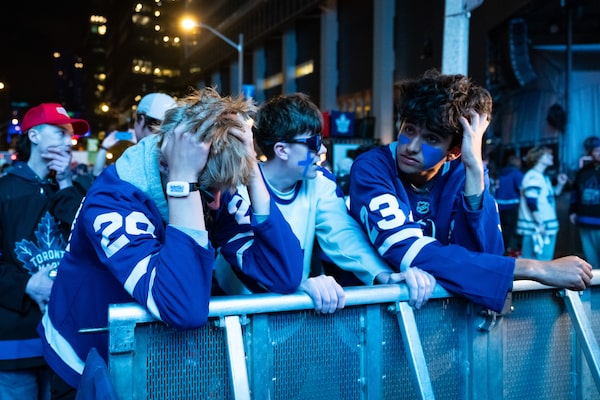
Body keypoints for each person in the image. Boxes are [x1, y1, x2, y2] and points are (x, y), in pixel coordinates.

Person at [38, 87, 304, 398]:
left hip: (151, 361)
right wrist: (184, 185)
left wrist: (251, 169)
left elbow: (283, 274)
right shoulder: (113, 199)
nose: (218, 204)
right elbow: (183, 308)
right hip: (83, 361)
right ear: (169, 166)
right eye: (209, 192)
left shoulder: (210, 185)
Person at [348, 70, 593, 314]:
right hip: (371, 314)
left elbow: (486, 254)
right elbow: (408, 251)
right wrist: (535, 268)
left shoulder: (465, 170)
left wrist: (474, 168)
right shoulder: (372, 167)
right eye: (409, 130)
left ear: (454, 151)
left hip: (441, 316)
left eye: (431, 139)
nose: (411, 147)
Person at [213, 93, 436, 314]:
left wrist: (383, 276)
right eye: (314, 143)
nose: (323, 150)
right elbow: (248, 265)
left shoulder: (319, 182)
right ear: (282, 150)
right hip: (235, 315)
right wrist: (299, 287)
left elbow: (344, 236)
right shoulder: (235, 189)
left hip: (289, 312)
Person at [0, 103, 89, 400]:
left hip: (65, 339)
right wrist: (26, 284)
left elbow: (85, 239)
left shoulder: (71, 189)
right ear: (34, 136)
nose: (69, 141)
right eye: (60, 132)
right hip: (16, 341)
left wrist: (65, 182)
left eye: (70, 135)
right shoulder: (5, 190)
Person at [92, 92, 176, 176]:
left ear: (142, 120)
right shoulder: (174, 158)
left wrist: (104, 147)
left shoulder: (129, 165)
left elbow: (98, 175)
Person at [516, 146, 568, 260]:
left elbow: (550, 197)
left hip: (544, 227)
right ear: (538, 157)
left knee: (541, 261)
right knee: (538, 262)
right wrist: (540, 223)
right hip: (538, 228)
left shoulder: (542, 176)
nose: (551, 157)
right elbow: (531, 202)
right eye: (548, 154)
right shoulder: (533, 177)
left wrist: (560, 184)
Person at [569, 136, 600, 269]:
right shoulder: (583, 171)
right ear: (590, 153)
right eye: (597, 150)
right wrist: (572, 211)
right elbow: (575, 193)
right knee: (592, 259)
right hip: (585, 220)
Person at [495, 152, 524, 255]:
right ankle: (508, 252)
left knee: (501, 231)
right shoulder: (516, 173)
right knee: (511, 231)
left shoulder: (500, 172)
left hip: (499, 206)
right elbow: (522, 190)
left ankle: (501, 251)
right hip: (511, 207)